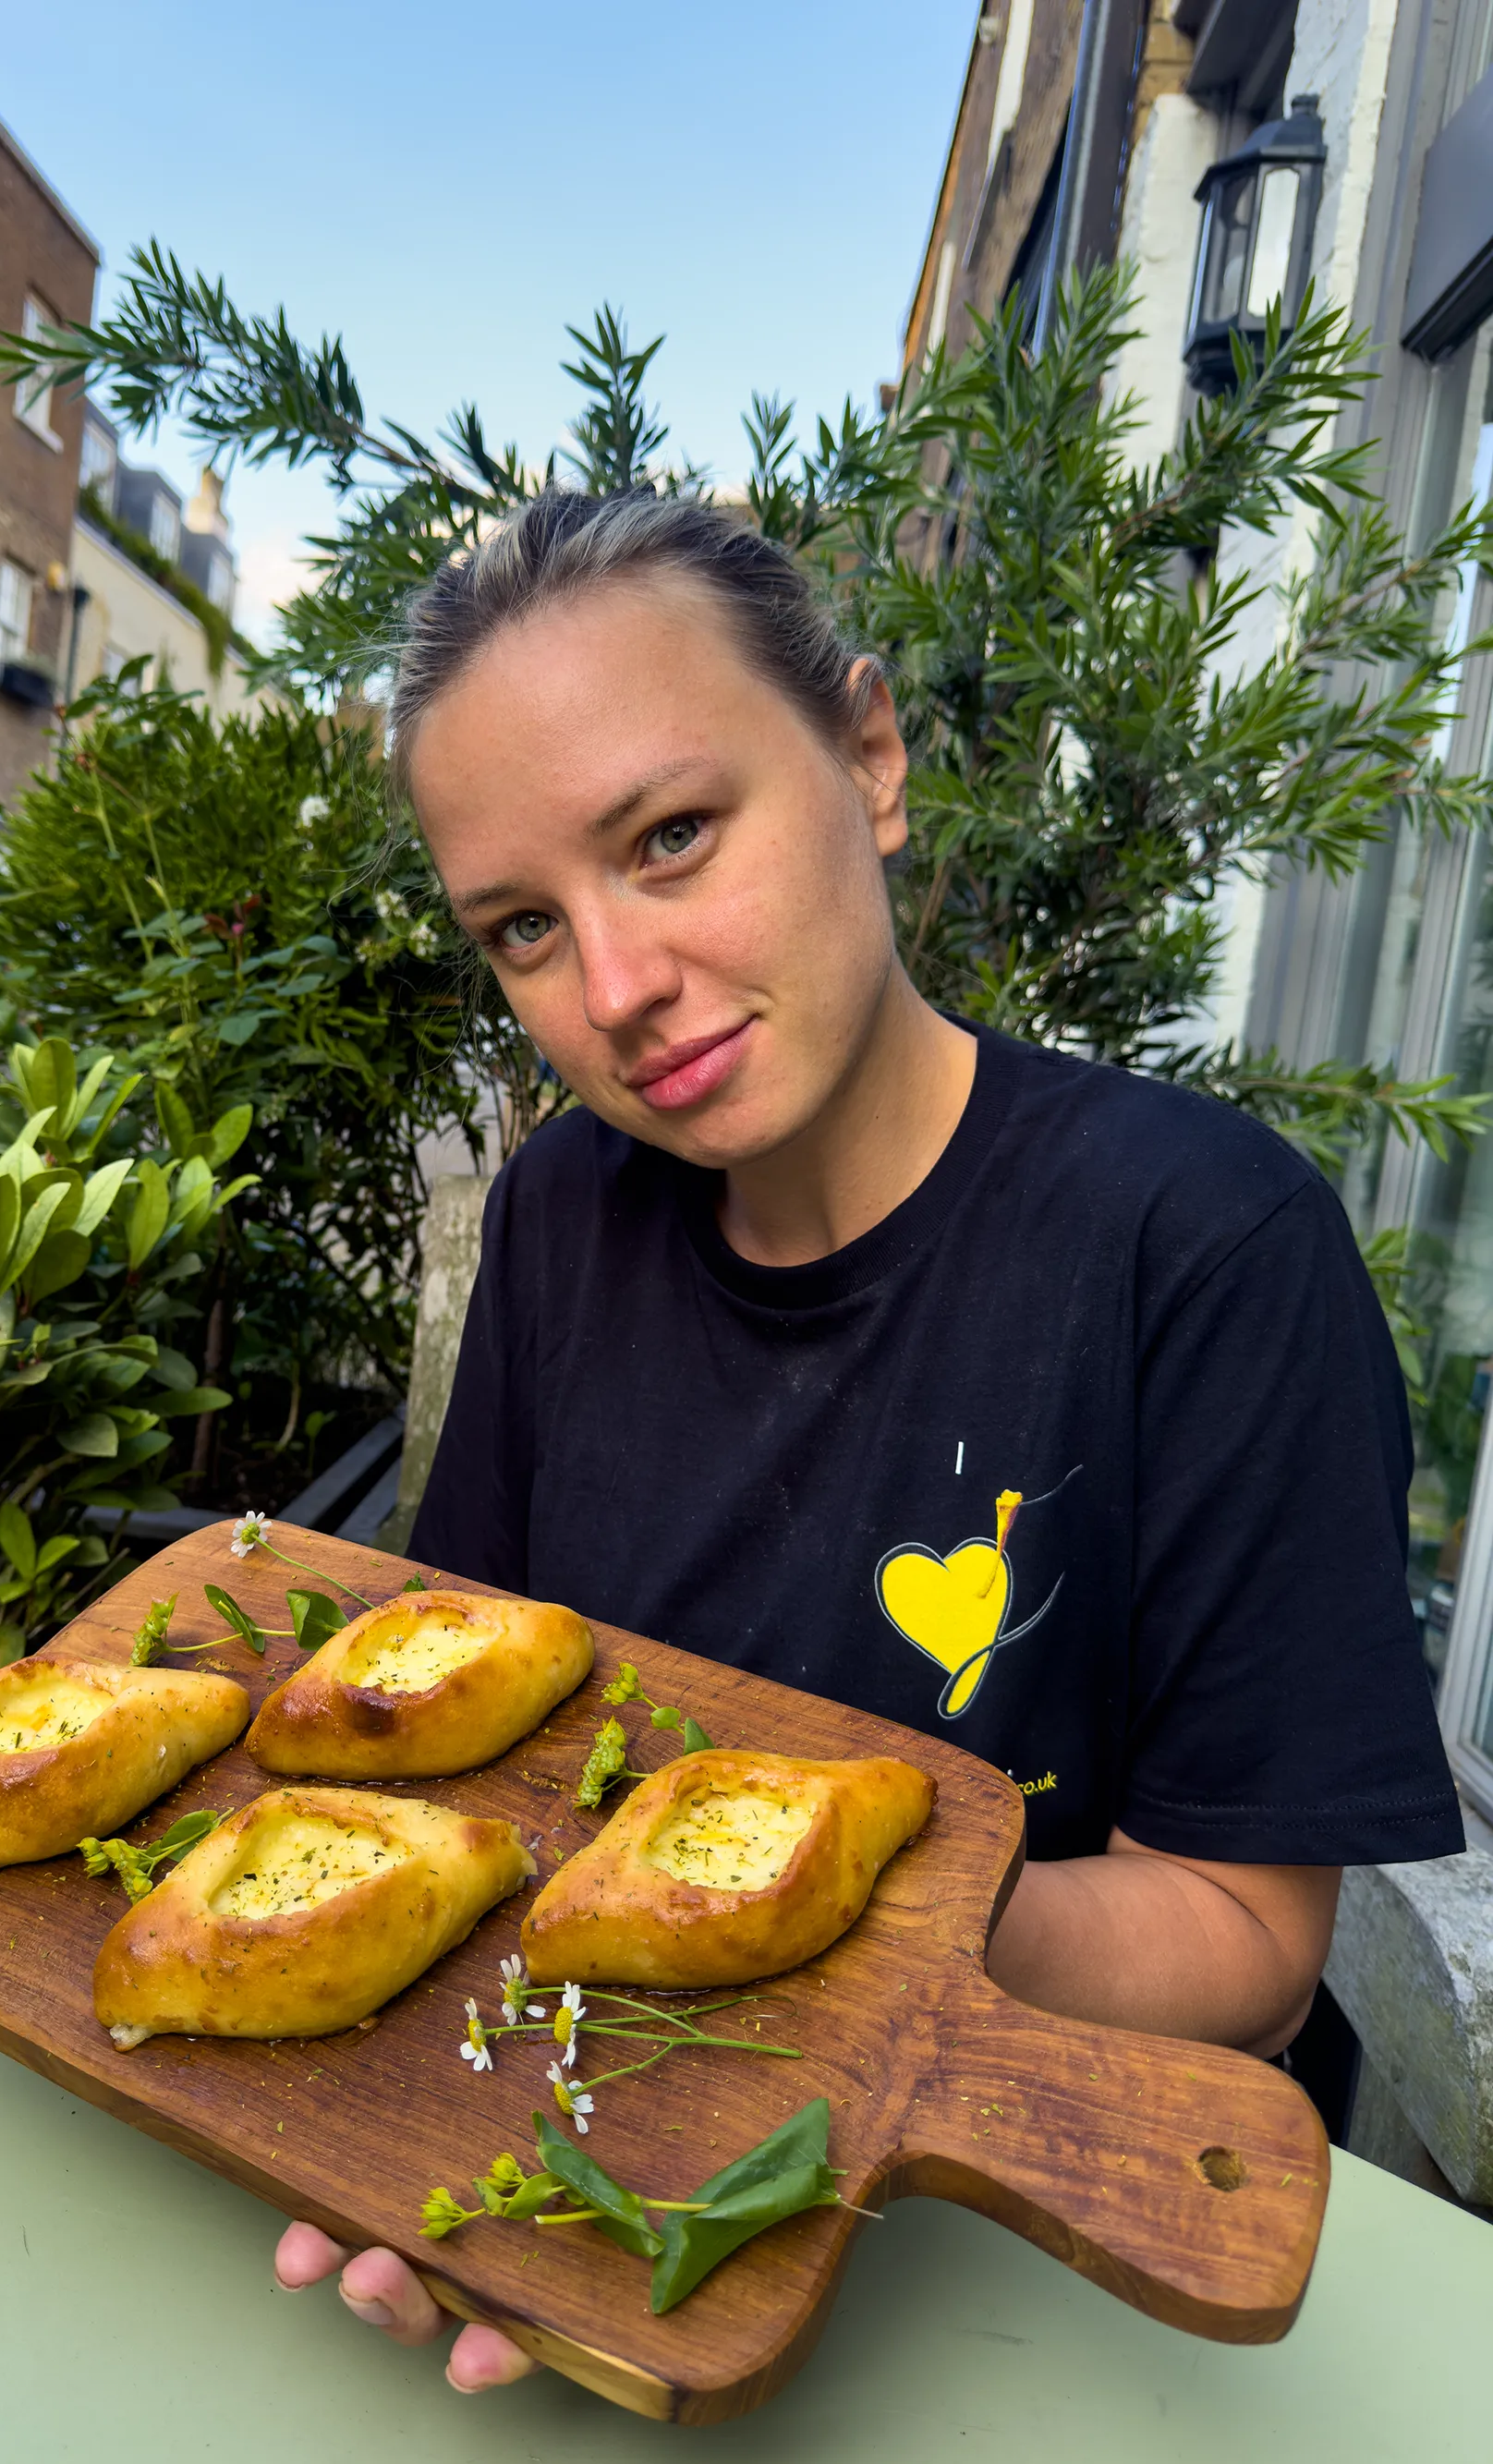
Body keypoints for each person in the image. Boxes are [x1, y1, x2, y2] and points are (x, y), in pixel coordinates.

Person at [274, 488, 1464, 2389]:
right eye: (521, 927)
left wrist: (792, 1929)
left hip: (1055, 2249)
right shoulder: (564, 1213)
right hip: (627, 2141)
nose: (613, 989)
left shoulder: (1201, 1242)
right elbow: (481, 1746)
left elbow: (1244, 1933)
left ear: (869, 755)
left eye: (671, 836)